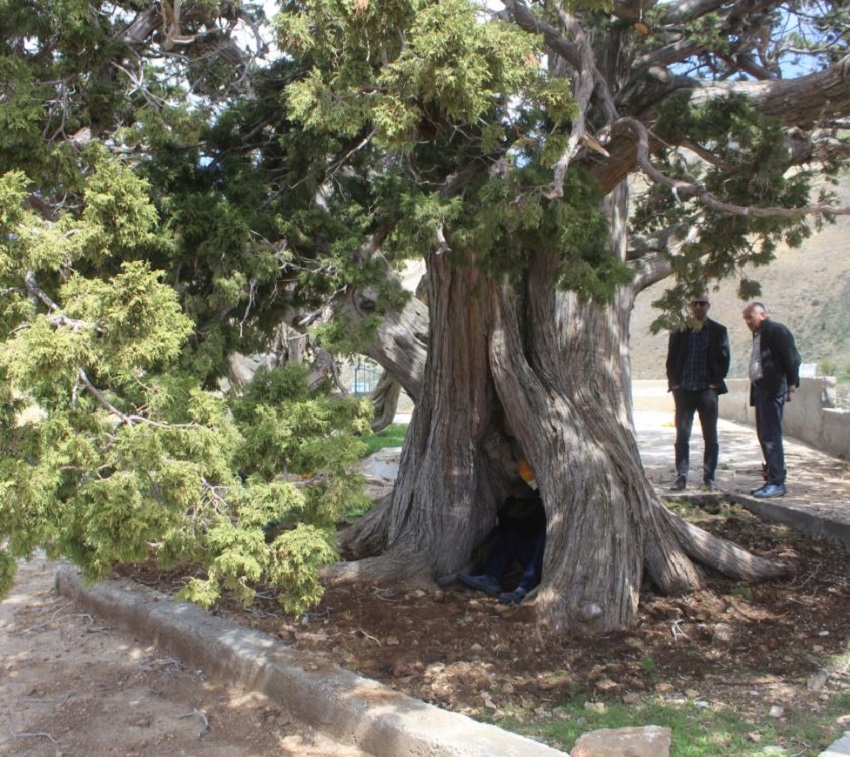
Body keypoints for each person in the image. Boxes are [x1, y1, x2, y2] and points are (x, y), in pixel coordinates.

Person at [665, 292, 730, 491]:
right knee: (682, 435)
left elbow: (724, 359)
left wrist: (715, 382)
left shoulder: (718, 331)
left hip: (706, 391)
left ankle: (709, 477)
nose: (699, 307)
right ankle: (681, 475)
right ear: (690, 307)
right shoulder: (679, 331)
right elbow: (671, 359)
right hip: (684, 390)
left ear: (708, 306)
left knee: (710, 436)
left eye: (703, 303)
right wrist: (674, 384)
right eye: (695, 303)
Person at [743, 301, 801, 498]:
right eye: (745, 318)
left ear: (763, 315)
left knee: (771, 437)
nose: (747, 322)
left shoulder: (777, 331)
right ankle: (771, 478)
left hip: (773, 389)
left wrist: (791, 385)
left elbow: (792, 359)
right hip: (761, 389)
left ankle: (777, 482)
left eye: (750, 317)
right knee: (764, 435)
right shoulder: (759, 335)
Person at [457, 491, 545, 605]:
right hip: (533, 556)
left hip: (546, 563)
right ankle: (491, 578)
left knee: (546, 534)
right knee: (512, 533)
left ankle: (523, 590)